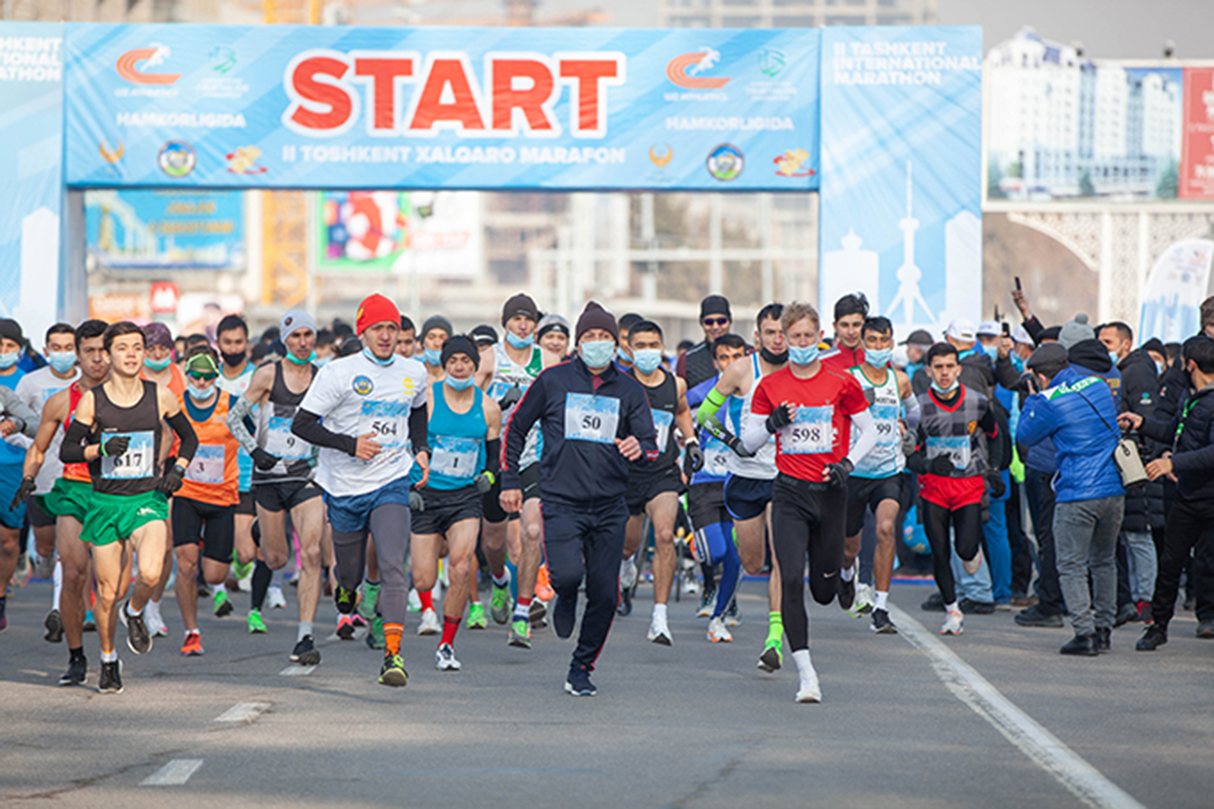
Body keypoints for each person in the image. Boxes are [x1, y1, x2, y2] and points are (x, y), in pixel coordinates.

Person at [501, 301, 657, 696]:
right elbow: (515, 429)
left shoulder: (629, 388)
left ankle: (581, 667)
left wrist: (639, 445)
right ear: (578, 342)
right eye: (590, 337)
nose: (598, 344)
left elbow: (651, 442)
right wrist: (510, 479)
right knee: (568, 575)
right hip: (562, 500)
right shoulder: (553, 380)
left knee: (606, 593)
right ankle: (565, 594)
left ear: (616, 343)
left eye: (605, 337)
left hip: (609, 505)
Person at [291, 294, 430, 687]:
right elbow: (303, 424)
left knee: (391, 563)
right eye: (377, 329)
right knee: (347, 575)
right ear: (363, 332)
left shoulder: (413, 371)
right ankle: (348, 594)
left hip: (391, 480)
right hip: (345, 485)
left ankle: (392, 656)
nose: (386, 336)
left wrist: (421, 451)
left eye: (392, 328)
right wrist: (349, 444)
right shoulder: (338, 373)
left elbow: (417, 410)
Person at [741, 301, 877, 703]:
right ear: (783, 339)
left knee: (823, 588)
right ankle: (806, 674)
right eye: (794, 336)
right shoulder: (769, 386)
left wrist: (847, 464)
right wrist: (772, 424)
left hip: (831, 491)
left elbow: (868, 431)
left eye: (807, 336)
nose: (801, 343)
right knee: (789, 579)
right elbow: (749, 443)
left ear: (820, 338)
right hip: (789, 493)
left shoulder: (842, 381)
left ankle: (844, 579)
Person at [60, 321, 198, 694]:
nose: (133, 354)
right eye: (123, 348)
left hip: (146, 499)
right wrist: (100, 449)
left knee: (151, 573)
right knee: (106, 591)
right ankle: (107, 658)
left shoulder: (161, 396)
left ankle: (134, 611)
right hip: (105, 503)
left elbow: (190, 437)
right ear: (109, 354)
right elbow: (67, 450)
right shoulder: (93, 400)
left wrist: (177, 471)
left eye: (137, 347)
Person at [226, 311, 326, 660]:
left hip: (306, 477)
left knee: (312, 552)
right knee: (276, 557)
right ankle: (258, 531)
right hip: (268, 476)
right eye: (296, 335)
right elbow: (234, 417)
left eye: (308, 335)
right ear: (285, 339)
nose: (302, 342)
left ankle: (305, 637)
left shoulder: (323, 378)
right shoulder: (268, 374)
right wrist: (255, 452)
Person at [695, 303, 788, 673]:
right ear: (757, 336)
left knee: (784, 559)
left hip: (787, 477)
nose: (778, 340)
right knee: (753, 561)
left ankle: (774, 640)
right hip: (746, 476)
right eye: (770, 332)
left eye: (784, 332)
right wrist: (733, 442)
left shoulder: (802, 372)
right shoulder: (740, 370)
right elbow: (703, 415)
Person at [16, 319, 109, 683]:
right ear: (78, 356)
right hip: (72, 490)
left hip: (118, 495)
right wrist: (28, 477)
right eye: (89, 351)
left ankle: (109, 652)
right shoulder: (60, 400)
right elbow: (38, 447)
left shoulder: (135, 396)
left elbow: (163, 434)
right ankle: (76, 657)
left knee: (110, 582)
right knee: (72, 572)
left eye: (104, 350)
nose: (97, 359)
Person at [1018, 343, 1125, 655]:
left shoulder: (1048, 400)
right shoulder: (1098, 385)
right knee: (1105, 561)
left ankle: (1084, 634)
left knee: (1071, 565)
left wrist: (1031, 400)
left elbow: (1025, 436)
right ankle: (1104, 630)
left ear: (1039, 376)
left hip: (1077, 491)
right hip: (1113, 489)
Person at [474, 293, 559, 645]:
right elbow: (469, 403)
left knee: (532, 531)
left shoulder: (550, 359)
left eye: (528, 319)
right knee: (494, 542)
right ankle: (498, 581)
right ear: (504, 322)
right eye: (516, 319)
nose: (522, 325)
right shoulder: (489, 357)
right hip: (496, 457)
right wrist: (496, 403)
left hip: (534, 456)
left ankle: (523, 611)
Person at [411, 336, 500, 669]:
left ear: (475, 366)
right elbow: (410, 444)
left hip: (464, 497)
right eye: (452, 361)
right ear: (444, 364)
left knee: (461, 567)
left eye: (465, 360)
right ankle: (425, 606)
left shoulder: (489, 408)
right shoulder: (428, 399)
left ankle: (447, 644)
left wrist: (488, 479)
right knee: (423, 580)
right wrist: (411, 485)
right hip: (426, 493)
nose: (459, 366)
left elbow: (493, 460)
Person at [1122, 335, 1214, 651]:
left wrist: (1173, 462)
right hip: (1187, 497)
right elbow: (1174, 430)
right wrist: (1141, 423)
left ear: (1190, 364)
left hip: (1210, 497)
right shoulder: (1191, 398)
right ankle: (1158, 627)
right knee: (1171, 563)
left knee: (1208, 563)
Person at [905, 342, 1003, 637]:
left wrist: (996, 469)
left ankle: (971, 555)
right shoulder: (919, 407)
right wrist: (927, 465)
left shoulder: (977, 401)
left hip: (969, 485)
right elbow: (908, 453)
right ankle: (952, 610)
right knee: (940, 551)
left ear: (958, 369)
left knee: (965, 548)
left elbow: (997, 435)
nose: (944, 373)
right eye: (938, 367)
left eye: (950, 366)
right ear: (928, 370)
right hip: (933, 487)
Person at [620, 319, 702, 645]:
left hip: (662, 471)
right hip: (626, 473)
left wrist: (692, 441)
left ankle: (659, 617)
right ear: (629, 349)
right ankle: (627, 565)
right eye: (640, 346)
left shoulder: (674, 384)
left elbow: (681, 410)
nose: (647, 351)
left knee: (665, 534)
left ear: (662, 346)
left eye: (653, 345)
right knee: (629, 542)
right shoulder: (619, 384)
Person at [842, 317, 918, 634]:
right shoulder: (848, 378)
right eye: (870, 340)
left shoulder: (899, 380)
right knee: (849, 547)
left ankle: (881, 608)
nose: (876, 346)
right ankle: (847, 576)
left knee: (886, 528)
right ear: (861, 343)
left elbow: (913, 412)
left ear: (891, 342)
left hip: (889, 470)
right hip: (854, 471)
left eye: (882, 340)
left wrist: (911, 434)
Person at [172, 347, 243, 656]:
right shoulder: (174, 407)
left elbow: (257, 438)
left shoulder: (233, 406)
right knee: (186, 566)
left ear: (217, 376)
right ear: (187, 375)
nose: (201, 383)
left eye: (208, 377)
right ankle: (191, 631)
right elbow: (163, 441)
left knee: (214, 575)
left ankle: (206, 547)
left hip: (222, 497)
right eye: (195, 377)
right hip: (186, 494)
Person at [13, 323, 80, 622]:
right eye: (57, 347)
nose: (63, 353)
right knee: (46, 547)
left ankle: (59, 610)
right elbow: (11, 423)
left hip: (77, 477)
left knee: (71, 551)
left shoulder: (86, 382)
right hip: (42, 477)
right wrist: (35, 441)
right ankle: (41, 560)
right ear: (45, 350)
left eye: (69, 347)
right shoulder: (30, 382)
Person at [1099, 321, 1164, 624]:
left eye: (1109, 342)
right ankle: (1131, 599)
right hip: (1122, 461)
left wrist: (1145, 457)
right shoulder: (1114, 372)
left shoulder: (1135, 371)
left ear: (1125, 344)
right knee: (1123, 535)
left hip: (1136, 463)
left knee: (1139, 534)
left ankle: (1145, 600)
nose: (1104, 348)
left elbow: (1146, 418)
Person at [684, 334, 748, 641]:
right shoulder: (697, 395)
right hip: (705, 483)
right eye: (725, 357)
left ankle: (719, 618)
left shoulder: (755, 393)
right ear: (715, 362)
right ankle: (694, 544)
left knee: (736, 557)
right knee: (716, 552)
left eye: (738, 356)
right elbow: (682, 433)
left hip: (739, 483)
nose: (732, 363)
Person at [214, 314, 263, 615]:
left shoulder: (259, 376)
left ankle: (237, 565)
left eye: (238, 342)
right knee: (212, 553)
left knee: (246, 553)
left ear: (247, 343)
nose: (233, 348)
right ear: (218, 344)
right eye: (227, 342)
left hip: (245, 474)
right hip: (210, 476)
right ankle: (218, 591)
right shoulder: (208, 377)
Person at [676, 295, 733, 390]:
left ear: (730, 321)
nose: (715, 327)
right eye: (709, 322)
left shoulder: (749, 354)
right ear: (701, 323)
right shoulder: (687, 359)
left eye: (721, 321)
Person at [822, 293, 868, 372]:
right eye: (844, 325)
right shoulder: (820, 362)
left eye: (856, 325)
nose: (851, 332)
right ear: (835, 327)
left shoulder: (879, 362)